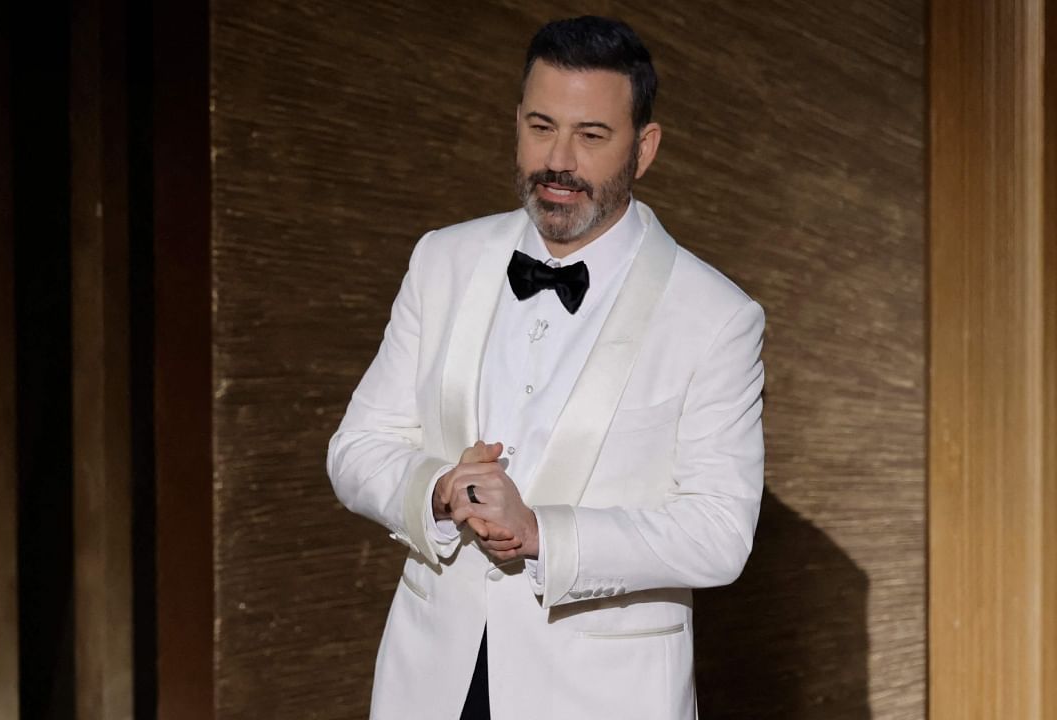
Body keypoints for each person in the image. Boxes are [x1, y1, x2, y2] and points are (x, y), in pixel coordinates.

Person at [328, 15, 765, 720]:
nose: (558, 160)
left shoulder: (716, 316)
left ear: (643, 148)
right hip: (432, 681)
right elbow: (355, 450)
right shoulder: (442, 259)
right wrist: (437, 488)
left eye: (591, 136)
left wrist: (542, 534)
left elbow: (718, 534)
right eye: (540, 127)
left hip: (604, 695)